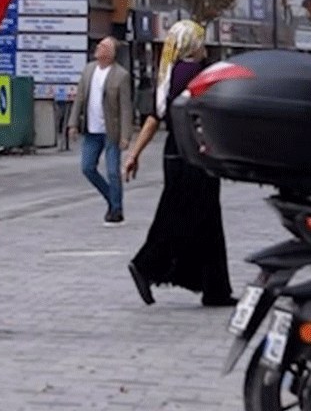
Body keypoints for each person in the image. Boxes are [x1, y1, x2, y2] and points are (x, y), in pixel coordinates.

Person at [122, 20, 236, 308]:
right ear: (191, 45)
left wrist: (134, 153)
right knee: (186, 217)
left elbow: (153, 118)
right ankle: (147, 265)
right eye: (200, 40)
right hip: (196, 154)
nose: (204, 46)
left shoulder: (168, 73)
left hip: (174, 152)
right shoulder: (196, 73)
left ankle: (214, 288)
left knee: (197, 217)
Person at [67, 37, 134, 224]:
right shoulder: (89, 70)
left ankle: (117, 209)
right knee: (87, 168)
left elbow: (126, 108)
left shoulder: (121, 75)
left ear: (111, 54)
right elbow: (80, 98)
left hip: (111, 131)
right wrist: (73, 124)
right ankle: (112, 199)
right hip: (91, 129)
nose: (98, 48)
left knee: (113, 171)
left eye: (103, 46)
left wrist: (125, 135)